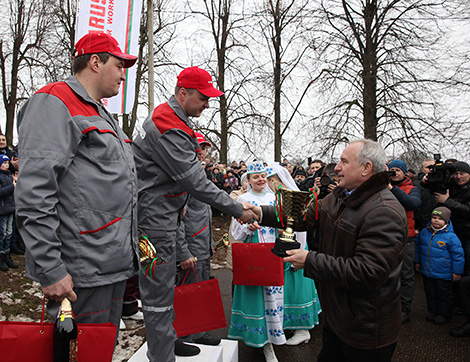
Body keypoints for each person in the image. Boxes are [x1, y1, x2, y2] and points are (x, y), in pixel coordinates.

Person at [15, 33, 139, 334]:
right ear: (95, 62)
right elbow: (35, 194)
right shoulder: (54, 102)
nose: (123, 75)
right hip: (80, 271)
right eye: (119, 66)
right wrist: (51, 268)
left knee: (98, 351)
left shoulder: (102, 113)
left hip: (108, 265)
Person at [132, 66, 256, 362]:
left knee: (164, 292)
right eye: (203, 97)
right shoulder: (168, 124)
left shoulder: (174, 120)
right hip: (153, 224)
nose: (207, 104)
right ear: (183, 93)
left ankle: (168, 345)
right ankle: (163, 356)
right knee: (158, 297)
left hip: (162, 218)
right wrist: (237, 208)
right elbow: (195, 181)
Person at [248, 139, 407, 362]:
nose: (337, 168)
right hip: (339, 318)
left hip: (365, 330)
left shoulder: (384, 211)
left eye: (344, 161)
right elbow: (304, 215)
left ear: (366, 168)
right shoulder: (341, 196)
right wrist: (259, 213)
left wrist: (310, 260)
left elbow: (369, 272)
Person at [228, 161, 283, 362]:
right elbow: (236, 232)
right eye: (255, 177)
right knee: (257, 300)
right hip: (254, 257)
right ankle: (259, 340)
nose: (260, 179)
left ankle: (272, 341)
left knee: (273, 299)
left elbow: (283, 226)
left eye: (263, 176)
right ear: (248, 180)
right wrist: (246, 228)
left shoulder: (275, 197)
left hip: (274, 254)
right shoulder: (243, 199)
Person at [265, 162, 321, 346]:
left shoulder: (289, 197)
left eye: (272, 180)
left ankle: (302, 329)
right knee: (285, 293)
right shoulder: (273, 197)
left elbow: (299, 228)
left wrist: (298, 249)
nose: (269, 184)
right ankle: (287, 324)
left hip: (294, 251)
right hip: (280, 251)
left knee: (297, 291)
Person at [175, 131, 220, 346]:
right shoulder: (182, 176)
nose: (201, 151)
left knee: (200, 292)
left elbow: (204, 214)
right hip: (190, 249)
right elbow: (176, 218)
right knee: (187, 293)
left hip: (202, 247)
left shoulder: (199, 174)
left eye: (204, 148)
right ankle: (182, 336)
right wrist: (182, 251)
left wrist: (210, 244)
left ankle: (198, 331)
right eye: (198, 146)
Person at [414, 206, 464, 325]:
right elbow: (418, 248)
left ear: (446, 221)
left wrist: (457, 272)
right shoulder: (425, 232)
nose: (436, 220)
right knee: (430, 293)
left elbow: (458, 256)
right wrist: (418, 261)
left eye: (440, 219)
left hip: (444, 274)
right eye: (434, 217)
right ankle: (433, 312)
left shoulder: (451, 237)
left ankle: (443, 315)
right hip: (427, 272)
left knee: (444, 295)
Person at [388, 159, 422, 323]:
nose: (394, 173)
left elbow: (412, 203)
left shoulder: (413, 189)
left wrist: (392, 189)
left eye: (397, 170)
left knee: (406, 275)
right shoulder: (383, 187)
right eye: (391, 170)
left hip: (407, 237)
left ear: (404, 172)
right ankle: (389, 306)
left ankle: (405, 308)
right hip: (387, 236)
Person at [431, 161, 470, 275]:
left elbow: (468, 211)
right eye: (456, 174)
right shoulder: (449, 185)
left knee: (466, 266)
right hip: (449, 233)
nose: (459, 177)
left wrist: (447, 201)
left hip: (466, 235)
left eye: (462, 173)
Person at [0, 155, 18, 271]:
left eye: (8, 163)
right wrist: (12, 186)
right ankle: (1, 257)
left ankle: (7, 255)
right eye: (4, 163)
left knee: (9, 233)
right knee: (2, 235)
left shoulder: (8, 175)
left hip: (10, 208)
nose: (7, 165)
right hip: (2, 210)